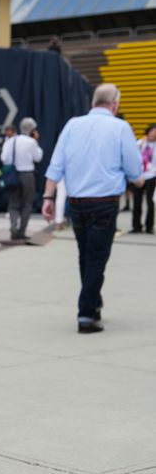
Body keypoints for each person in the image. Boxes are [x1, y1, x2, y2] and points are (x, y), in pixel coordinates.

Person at [41, 83, 143, 333]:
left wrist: (48, 197)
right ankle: (86, 314)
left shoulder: (72, 125)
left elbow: (56, 164)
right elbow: (134, 169)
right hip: (105, 202)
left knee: (85, 256)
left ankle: (94, 303)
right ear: (115, 105)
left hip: (78, 202)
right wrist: (139, 180)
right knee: (97, 258)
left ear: (93, 103)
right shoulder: (120, 127)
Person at [0, 116, 43, 240]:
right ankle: (21, 232)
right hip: (28, 175)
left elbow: (4, 158)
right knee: (27, 205)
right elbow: (38, 158)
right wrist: (36, 141)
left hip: (14, 175)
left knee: (13, 204)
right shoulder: (32, 142)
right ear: (31, 130)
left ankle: (13, 227)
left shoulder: (12, 141)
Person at [130, 124, 156, 234]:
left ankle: (149, 226)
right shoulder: (140, 143)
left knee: (150, 202)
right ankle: (136, 226)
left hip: (152, 175)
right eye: (152, 131)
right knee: (137, 201)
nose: (154, 133)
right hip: (139, 175)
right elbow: (132, 155)